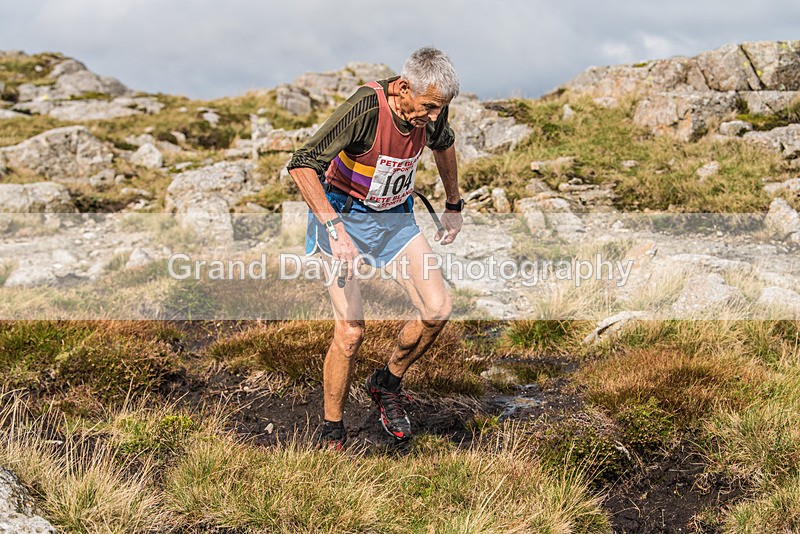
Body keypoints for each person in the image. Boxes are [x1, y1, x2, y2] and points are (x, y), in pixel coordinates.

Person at [286, 46, 464, 450]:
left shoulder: (431, 110)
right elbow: (301, 164)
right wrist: (334, 228)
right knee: (350, 332)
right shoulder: (366, 107)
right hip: (342, 219)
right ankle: (332, 429)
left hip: (394, 220)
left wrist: (453, 204)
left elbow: (443, 144)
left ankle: (386, 383)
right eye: (429, 107)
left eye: (440, 108)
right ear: (403, 88)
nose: (433, 116)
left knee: (437, 310)